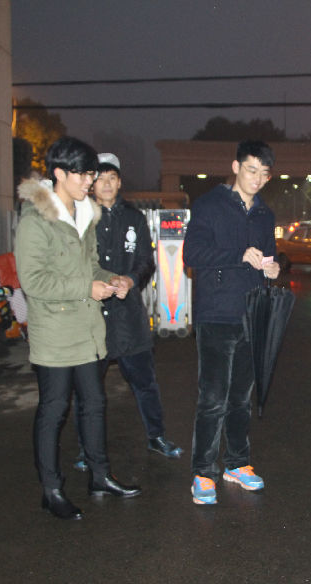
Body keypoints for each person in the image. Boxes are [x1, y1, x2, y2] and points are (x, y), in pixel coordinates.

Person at [15, 136, 141, 521]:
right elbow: (33, 280)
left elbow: (91, 267)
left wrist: (112, 279)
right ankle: (51, 489)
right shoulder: (35, 220)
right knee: (54, 409)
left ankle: (100, 476)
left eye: (91, 174)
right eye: (82, 174)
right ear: (59, 173)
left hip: (87, 329)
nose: (90, 181)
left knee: (95, 404)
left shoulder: (85, 213)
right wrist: (87, 288)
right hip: (54, 331)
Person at [182, 140, 280, 505]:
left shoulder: (264, 214)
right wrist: (238, 255)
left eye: (264, 174)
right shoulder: (209, 205)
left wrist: (271, 268)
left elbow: (267, 256)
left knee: (241, 397)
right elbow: (192, 254)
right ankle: (203, 472)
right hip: (216, 314)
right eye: (251, 170)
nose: (257, 179)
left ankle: (238, 463)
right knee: (213, 397)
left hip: (252, 314)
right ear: (236, 167)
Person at [72, 152, 183, 469]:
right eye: (100, 179)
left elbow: (147, 261)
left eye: (112, 178)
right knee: (87, 389)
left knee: (145, 382)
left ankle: (156, 436)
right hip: (92, 315)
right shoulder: (80, 218)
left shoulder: (134, 218)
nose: (106, 184)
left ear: (119, 182)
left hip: (129, 316)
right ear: (92, 183)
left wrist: (131, 280)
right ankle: (86, 448)